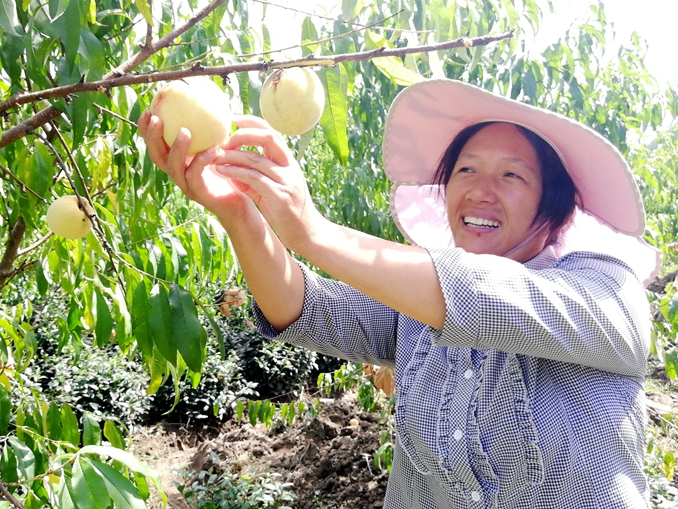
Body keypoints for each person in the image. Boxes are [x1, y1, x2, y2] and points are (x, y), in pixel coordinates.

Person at [138, 78, 661, 508]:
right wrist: (239, 214)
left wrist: (312, 232)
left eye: (511, 175)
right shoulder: (415, 309)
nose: (480, 189)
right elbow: (303, 306)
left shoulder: (604, 293)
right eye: (466, 169)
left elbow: (494, 300)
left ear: (554, 209)